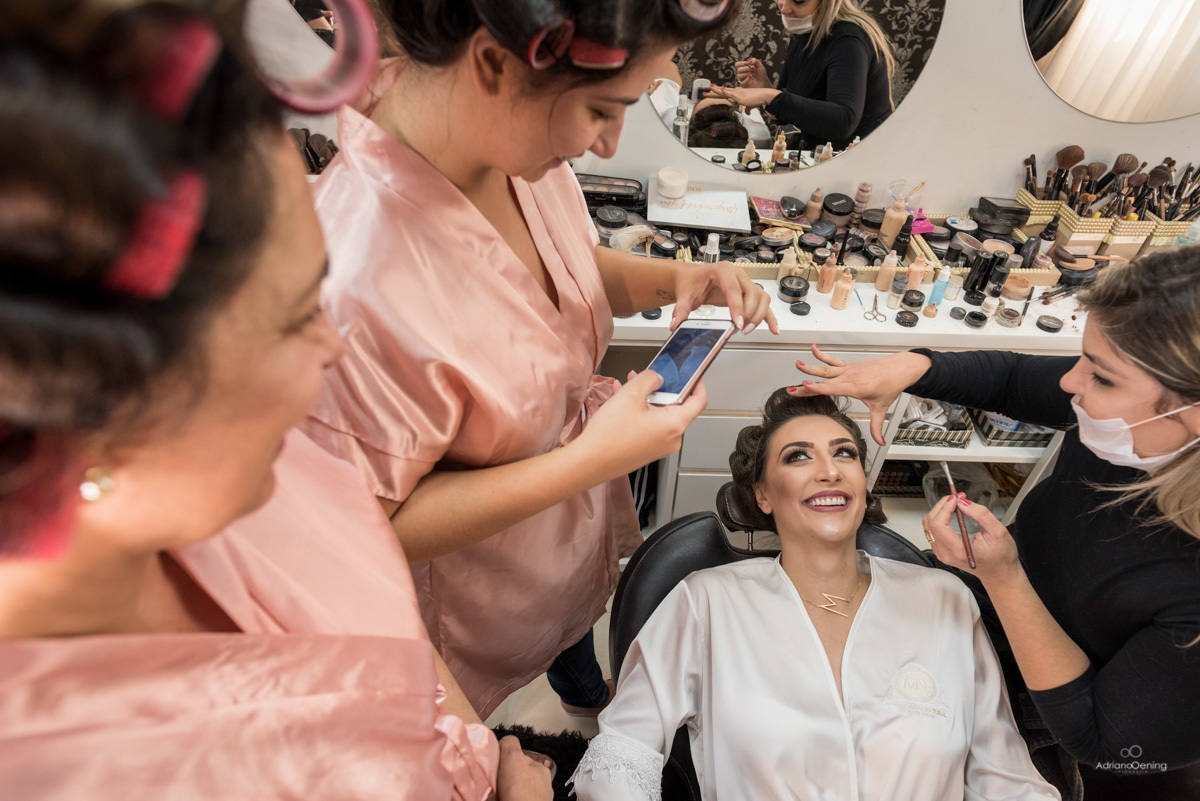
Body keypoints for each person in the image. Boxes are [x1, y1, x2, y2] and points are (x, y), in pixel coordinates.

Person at [0, 3, 547, 798]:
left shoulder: (273, 469)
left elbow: (396, 641)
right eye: (299, 317)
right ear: (106, 418)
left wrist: (485, 767)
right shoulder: (82, 765)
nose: (332, 345)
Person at [303, 0, 777, 719]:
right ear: (494, 64)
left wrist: (673, 279)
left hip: (564, 549)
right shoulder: (350, 278)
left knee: (575, 642)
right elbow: (372, 525)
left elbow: (564, 267)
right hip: (479, 597)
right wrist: (591, 460)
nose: (612, 145)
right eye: (603, 109)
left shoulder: (509, 145)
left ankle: (584, 690)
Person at [792, 248, 1200, 800]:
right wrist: (916, 366)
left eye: (1100, 378)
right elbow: (1012, 379)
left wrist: (1005, 580)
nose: (1069, 384)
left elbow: (1100, 738)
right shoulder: (1131, 412)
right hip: (1001, 621)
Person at [568, 390, 1060, 801]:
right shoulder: (707, 603)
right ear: (762, 494)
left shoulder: (944, 598)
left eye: (845, 453)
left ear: (865, 487)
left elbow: (1006, 775)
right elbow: (621, 753)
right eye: (798, 456)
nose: (830, 470)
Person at [709, 0, 894, 151]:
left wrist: (770, 95)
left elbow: (843, 121)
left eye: (799, 1)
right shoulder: (805, 30)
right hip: (821, 154)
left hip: (861, 159)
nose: (785, 7)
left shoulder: (848, 41)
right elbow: (788, 113)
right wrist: (763, 89)